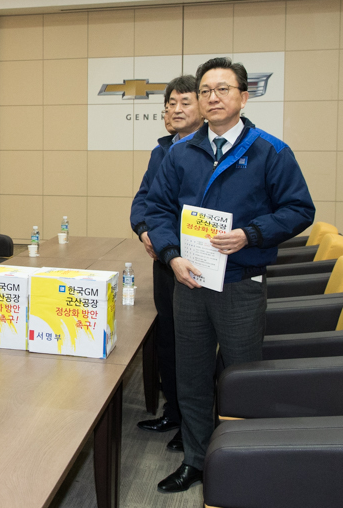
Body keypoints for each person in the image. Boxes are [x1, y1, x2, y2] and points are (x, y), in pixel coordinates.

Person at [145, 57, 314, 493]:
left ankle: (246, 461)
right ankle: (197, 460)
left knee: (241, 377)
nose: (213, 97)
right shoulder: (180, 152)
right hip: (189, 281)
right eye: (206, 91)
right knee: (192, 377)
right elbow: (158, 209)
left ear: (244, 95)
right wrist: (170, 255)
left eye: (223, 89)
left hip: (241, 282)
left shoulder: (270, 150)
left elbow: (299, 210)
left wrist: (250, 234)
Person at [130, 75, 203, 453]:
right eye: (170, 103)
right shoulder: (162, 151)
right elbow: (143, 200)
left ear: (203, 107)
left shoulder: (211, 151)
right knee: (169, 340)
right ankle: (173, 411)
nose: (175, 109)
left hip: (194, 264)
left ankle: (193, 425)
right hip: (163, 262)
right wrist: (145, 231)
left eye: (184, 102)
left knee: (194, 349)